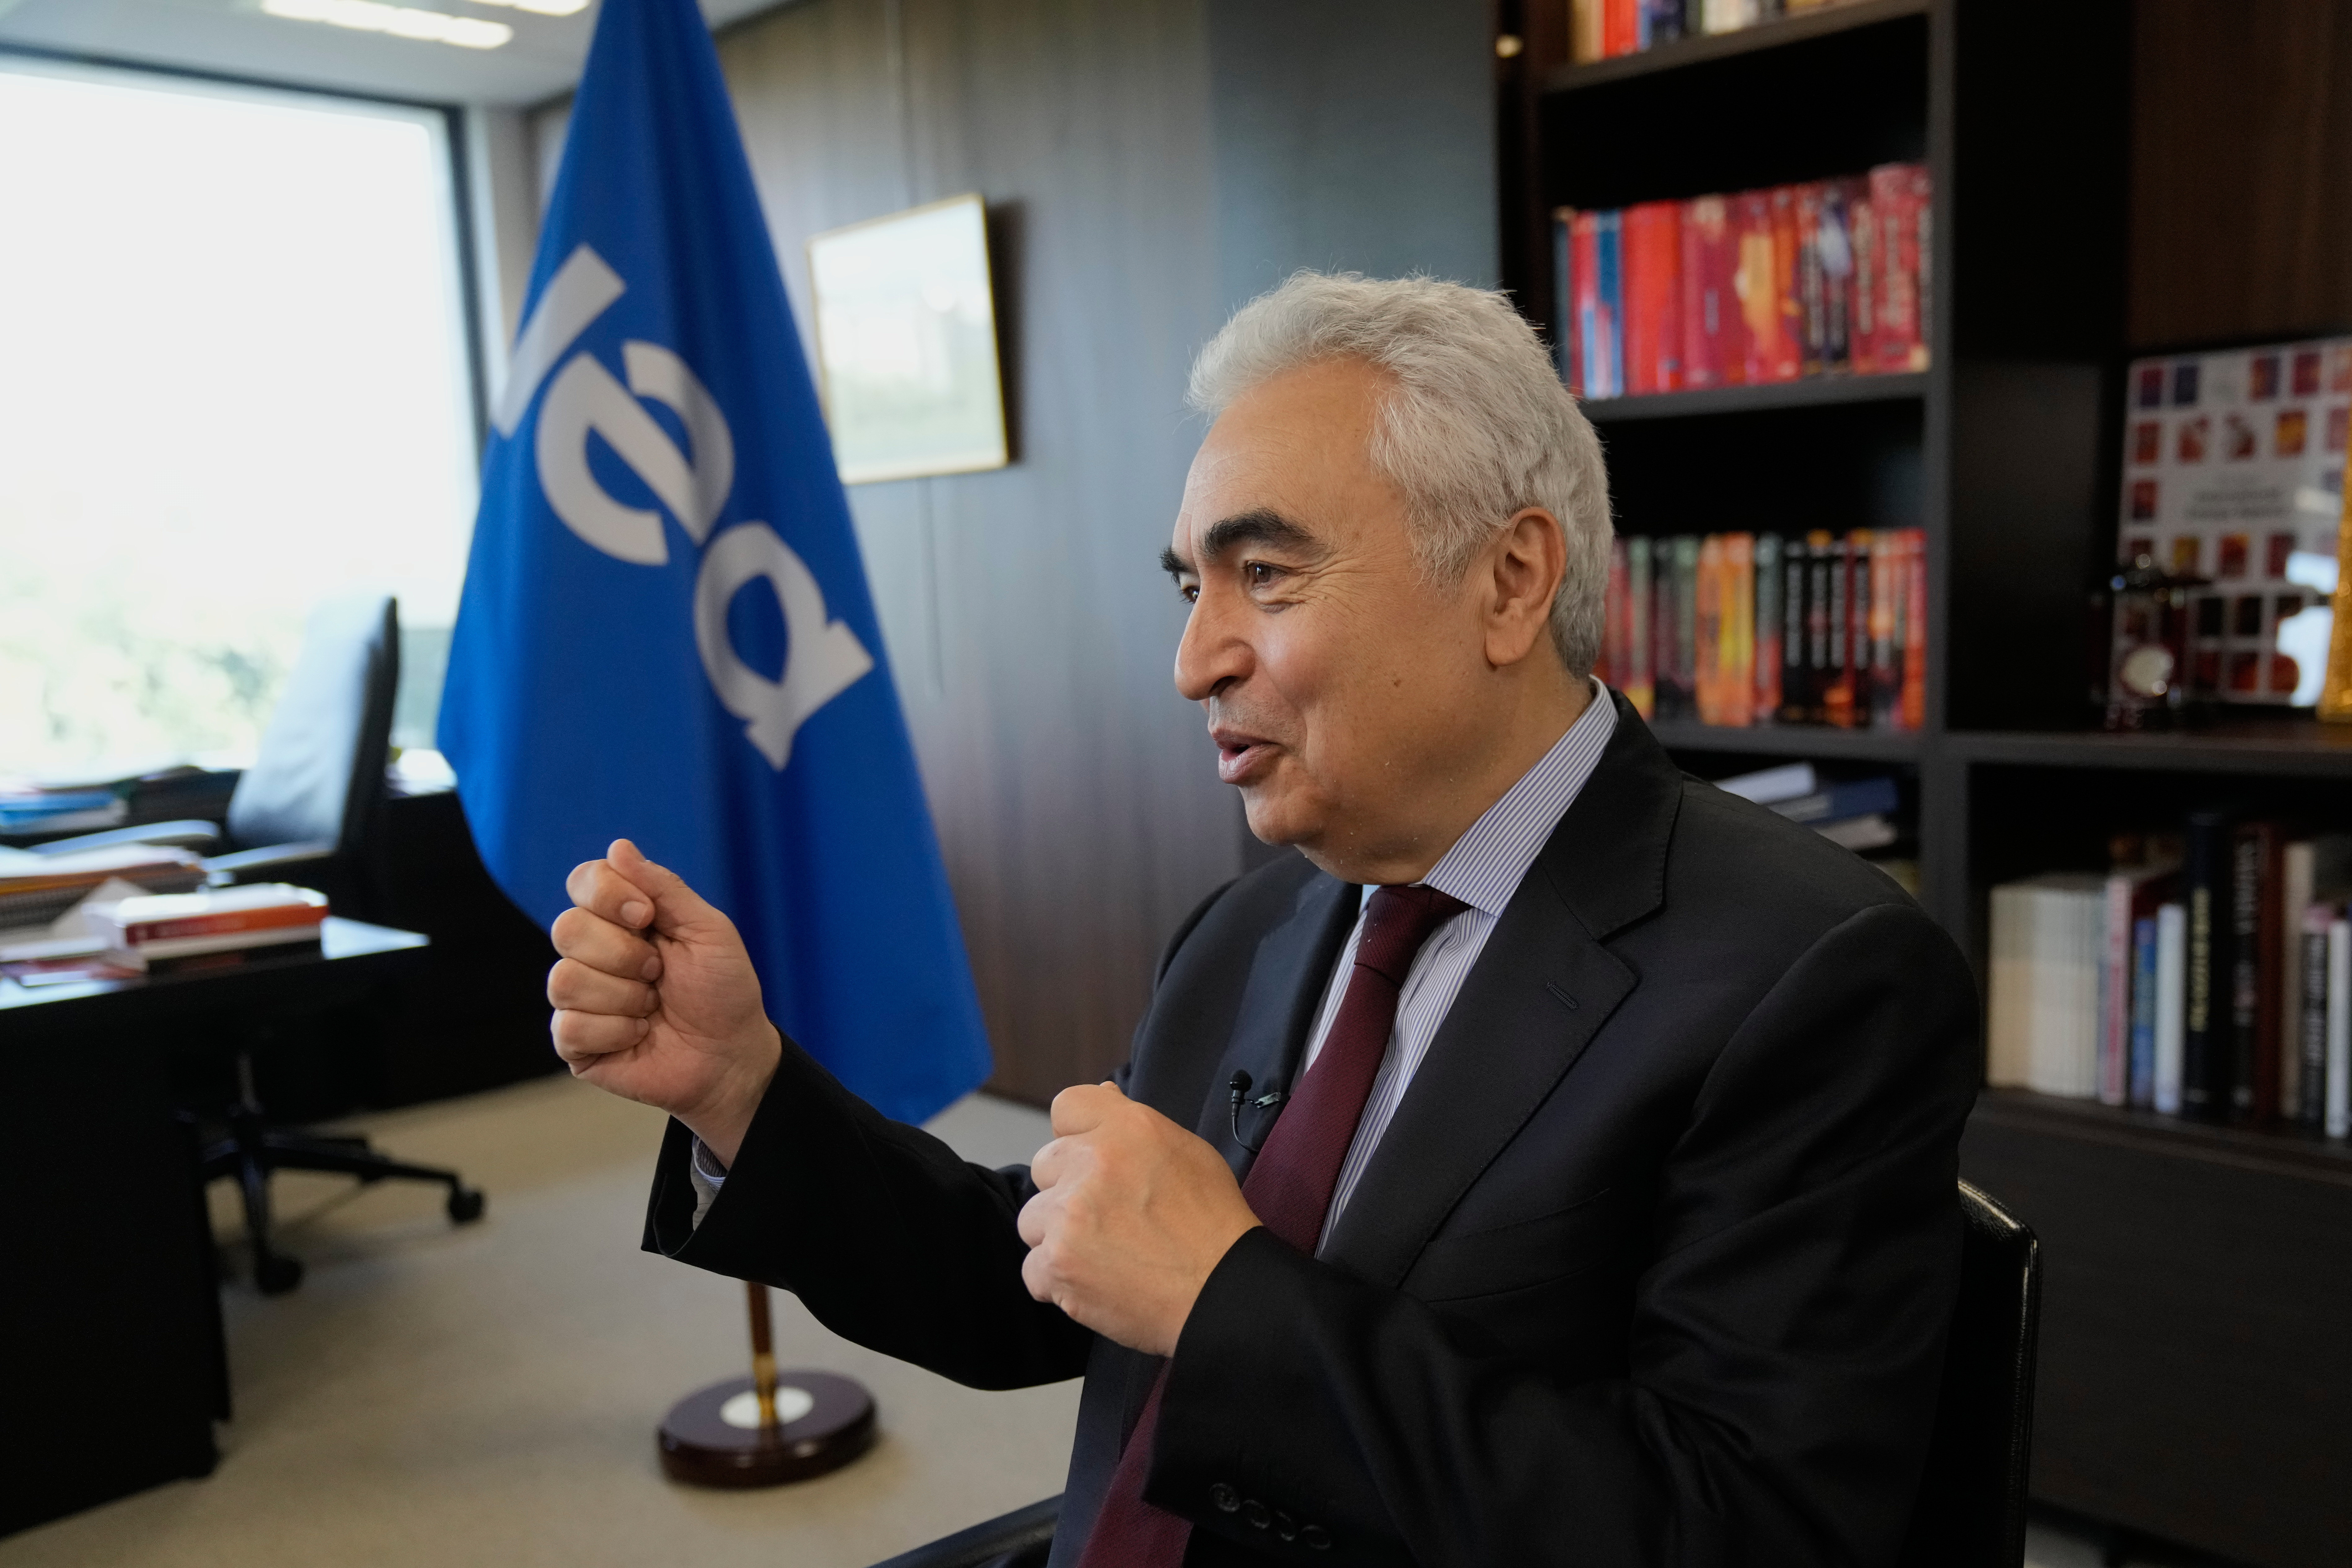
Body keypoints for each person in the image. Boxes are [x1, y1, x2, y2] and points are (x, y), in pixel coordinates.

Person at [547, 272, 1978, 1567]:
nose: (1191, 658)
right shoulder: (1249, 928)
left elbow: (1739, 1527)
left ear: (1509, 579)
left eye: (1266, 574)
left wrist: (1224, 1299)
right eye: (1188, 583)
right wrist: (746, 1089)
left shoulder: (1811, 976)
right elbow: (1049, 1274)